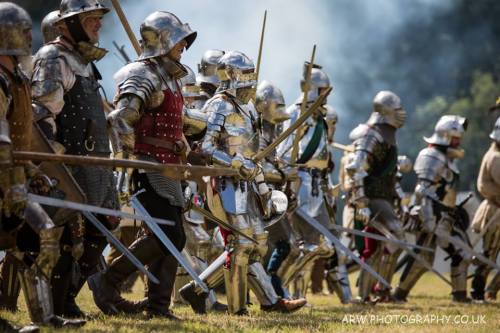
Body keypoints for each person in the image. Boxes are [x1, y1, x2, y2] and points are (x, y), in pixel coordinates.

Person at [88, 11, 197, 320]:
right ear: (162, 41)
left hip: (170, 168)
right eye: (178, 42)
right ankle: (107, 282)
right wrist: (131, 156)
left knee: (173, 236)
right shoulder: (143, 73)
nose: (183, 48)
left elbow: (175, 125)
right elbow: (120, 119)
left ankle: (158, 307)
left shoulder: (171, 78)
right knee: (168, 234)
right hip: (148, 166)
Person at [180, 51, 306, 315]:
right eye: (246, 76)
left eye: (252, 76)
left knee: (258, 242)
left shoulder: (247, 109)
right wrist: (235, 163)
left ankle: (198, 289)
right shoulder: (217, 105)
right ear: (232, 76)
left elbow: (252, 154)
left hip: (248, 185)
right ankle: (237, 310)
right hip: (223, 184)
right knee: (241, 245)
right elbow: (204, 147)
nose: (251, 82)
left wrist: (263, 189)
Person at [0, 2, 84, 328]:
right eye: (21, 31)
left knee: (45, 237)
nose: (27, 37)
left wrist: (32, 172)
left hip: (15, 177)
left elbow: (24, 138)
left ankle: (45, 316)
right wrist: (13, 182)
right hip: (4, 179)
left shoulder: (18, 78)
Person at [393, 115, 470, 303]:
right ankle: (399, 294)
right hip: (431, 215)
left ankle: (460, 296)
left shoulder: (447, 157)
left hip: (446, 216)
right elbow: (422, 190)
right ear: (445, 135)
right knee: (422, 259)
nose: (459, 141)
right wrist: (429, 220)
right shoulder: (431, 156)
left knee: (462, 253)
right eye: (455, 137)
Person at [346, 90, 407, 303]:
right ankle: (364, 294)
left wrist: (401, 200)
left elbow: (391, 174)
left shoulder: (388, 136)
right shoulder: (372, 135)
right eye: (397, 109)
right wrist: (361, 203)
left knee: (393, 241)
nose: (401, 113)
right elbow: (356, 170)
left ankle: (381, 288)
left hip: (385, 198)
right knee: (376, 246)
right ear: (386, 111)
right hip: (372, 199)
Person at [470, 116, 500, 301]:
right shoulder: (496, 157)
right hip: (495, 213)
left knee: (488, 255)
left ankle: (490, 290)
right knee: (488, 255)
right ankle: (479, 291)